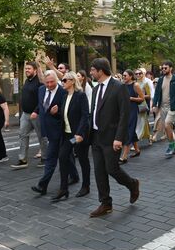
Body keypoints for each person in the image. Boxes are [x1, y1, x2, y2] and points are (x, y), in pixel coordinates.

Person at [88, 57, 140, 217]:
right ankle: (106, 203)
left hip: (112, 137)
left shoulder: (119, 87)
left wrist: (119, 138)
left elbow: (125, 115)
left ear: (100, 71)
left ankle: (132, 184)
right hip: (96, 137)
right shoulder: (96, 89)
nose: (91, 72)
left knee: (112, 169)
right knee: (98, 171)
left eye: (92, 70)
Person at [53, 71, 91, 201]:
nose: (62, 82)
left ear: (72, 81)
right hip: (67, 135)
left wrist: (80, 133)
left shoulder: (81, 96)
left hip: (78, 135)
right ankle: (63, 189)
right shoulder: (64, 96)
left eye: (64, 80)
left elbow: (85, 116)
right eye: (62, 80)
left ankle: (86, 186)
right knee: (63, 157)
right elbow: (65, 116)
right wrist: (55, 113)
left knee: (83, 159)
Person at [30, 71, 69, 195]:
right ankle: (74, 175)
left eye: (52, 82)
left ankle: (42, 185)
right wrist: (36, 111)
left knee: (51, 157)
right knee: (65, 155)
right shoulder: (41, 89)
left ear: (56, 80)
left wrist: (57, 112)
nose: (49, 84)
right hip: (45, 127)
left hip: (58, 129)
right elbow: (41, 103)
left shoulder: (63, 92)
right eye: (47, 82)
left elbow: (68, 110)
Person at [12, 61, 46, 169]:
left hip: (37, 115)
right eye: (26, 68)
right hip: (26, 114)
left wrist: (36, 111)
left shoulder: (40, 81)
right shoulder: (27, 81)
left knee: (42, 137)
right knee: (22, 135)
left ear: (35, 70)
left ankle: (45, 158)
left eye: (29, 68)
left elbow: (42, 99)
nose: (27, 70)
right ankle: (23, 160)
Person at [152, 61, 175, 155]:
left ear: (170, 68)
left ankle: (171, 145)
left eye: (165, 68)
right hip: (162, 107)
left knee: (166, 125)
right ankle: (174, 147)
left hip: (173, 107)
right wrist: (154, 104)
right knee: (167, 128)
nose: (163, 70)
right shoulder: (161, 79)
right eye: (162, 68)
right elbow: (157, 93)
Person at [119, 70, 144, 163]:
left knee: (128, 131)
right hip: (124, 110)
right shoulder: (122, 85)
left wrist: (131, 98)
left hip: (132, 110)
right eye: (123, 75)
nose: (123, 77)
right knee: (131, 131)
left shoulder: (135, 85)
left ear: (130, 76)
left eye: (125, 75)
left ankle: (124, 156)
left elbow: (142, 98)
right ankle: (137, 150)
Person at [135, 68, 152, 145]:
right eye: (136, 74)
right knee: (141, 122)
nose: (138, 75)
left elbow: (149, 95)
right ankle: (149, 137)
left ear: (143, 74)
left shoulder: (145, 83)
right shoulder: (134, 83)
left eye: (140, 73)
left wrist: (141, 96)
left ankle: (136, 139)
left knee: (140, 122)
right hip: (134, 104)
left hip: (142, 105)